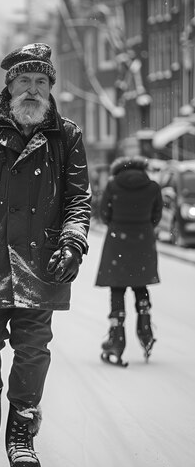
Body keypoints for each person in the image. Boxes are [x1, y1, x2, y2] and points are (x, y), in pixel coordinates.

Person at [0, 43, 91, 467]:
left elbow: (78, 201)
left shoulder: (66, 136)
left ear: (51, 89)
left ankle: (21, 429)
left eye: (41, 82)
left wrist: (72, 242)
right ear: (9, 86)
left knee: (33, 351)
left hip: (41, 263)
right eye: (24, 81)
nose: (32, 90)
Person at [95, 156, 163, 366]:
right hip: (143, 240)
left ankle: (117, 338)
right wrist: (142, 225)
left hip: (118, 242)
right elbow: (156, 216)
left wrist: (119, 224)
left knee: (117, 287)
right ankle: (145, 330)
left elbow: (104, 214)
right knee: (140, 284)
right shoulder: (152, 187)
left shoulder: (113, 186)